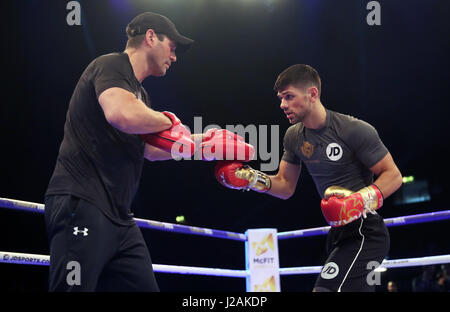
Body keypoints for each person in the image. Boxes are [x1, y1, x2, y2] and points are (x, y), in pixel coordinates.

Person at [215, 64, 403, 292]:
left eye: (289, 96)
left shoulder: (353, 129)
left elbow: (393, 176)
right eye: (281, 98)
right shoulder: (293, 136)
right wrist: (250, 178)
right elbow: (285, 186)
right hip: (336, 233)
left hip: (365, 231)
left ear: (312, 94)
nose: (282, 104)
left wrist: (358, 201)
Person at [44, 12, 195, 291]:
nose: (174, 57)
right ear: (151, 37)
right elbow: (120, 114)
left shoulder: (141, 96)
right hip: (82, 203)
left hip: (120, 218)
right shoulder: (111, 65)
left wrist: (202, 145)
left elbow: (149, 149)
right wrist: (171, 121)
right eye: (172, 48)